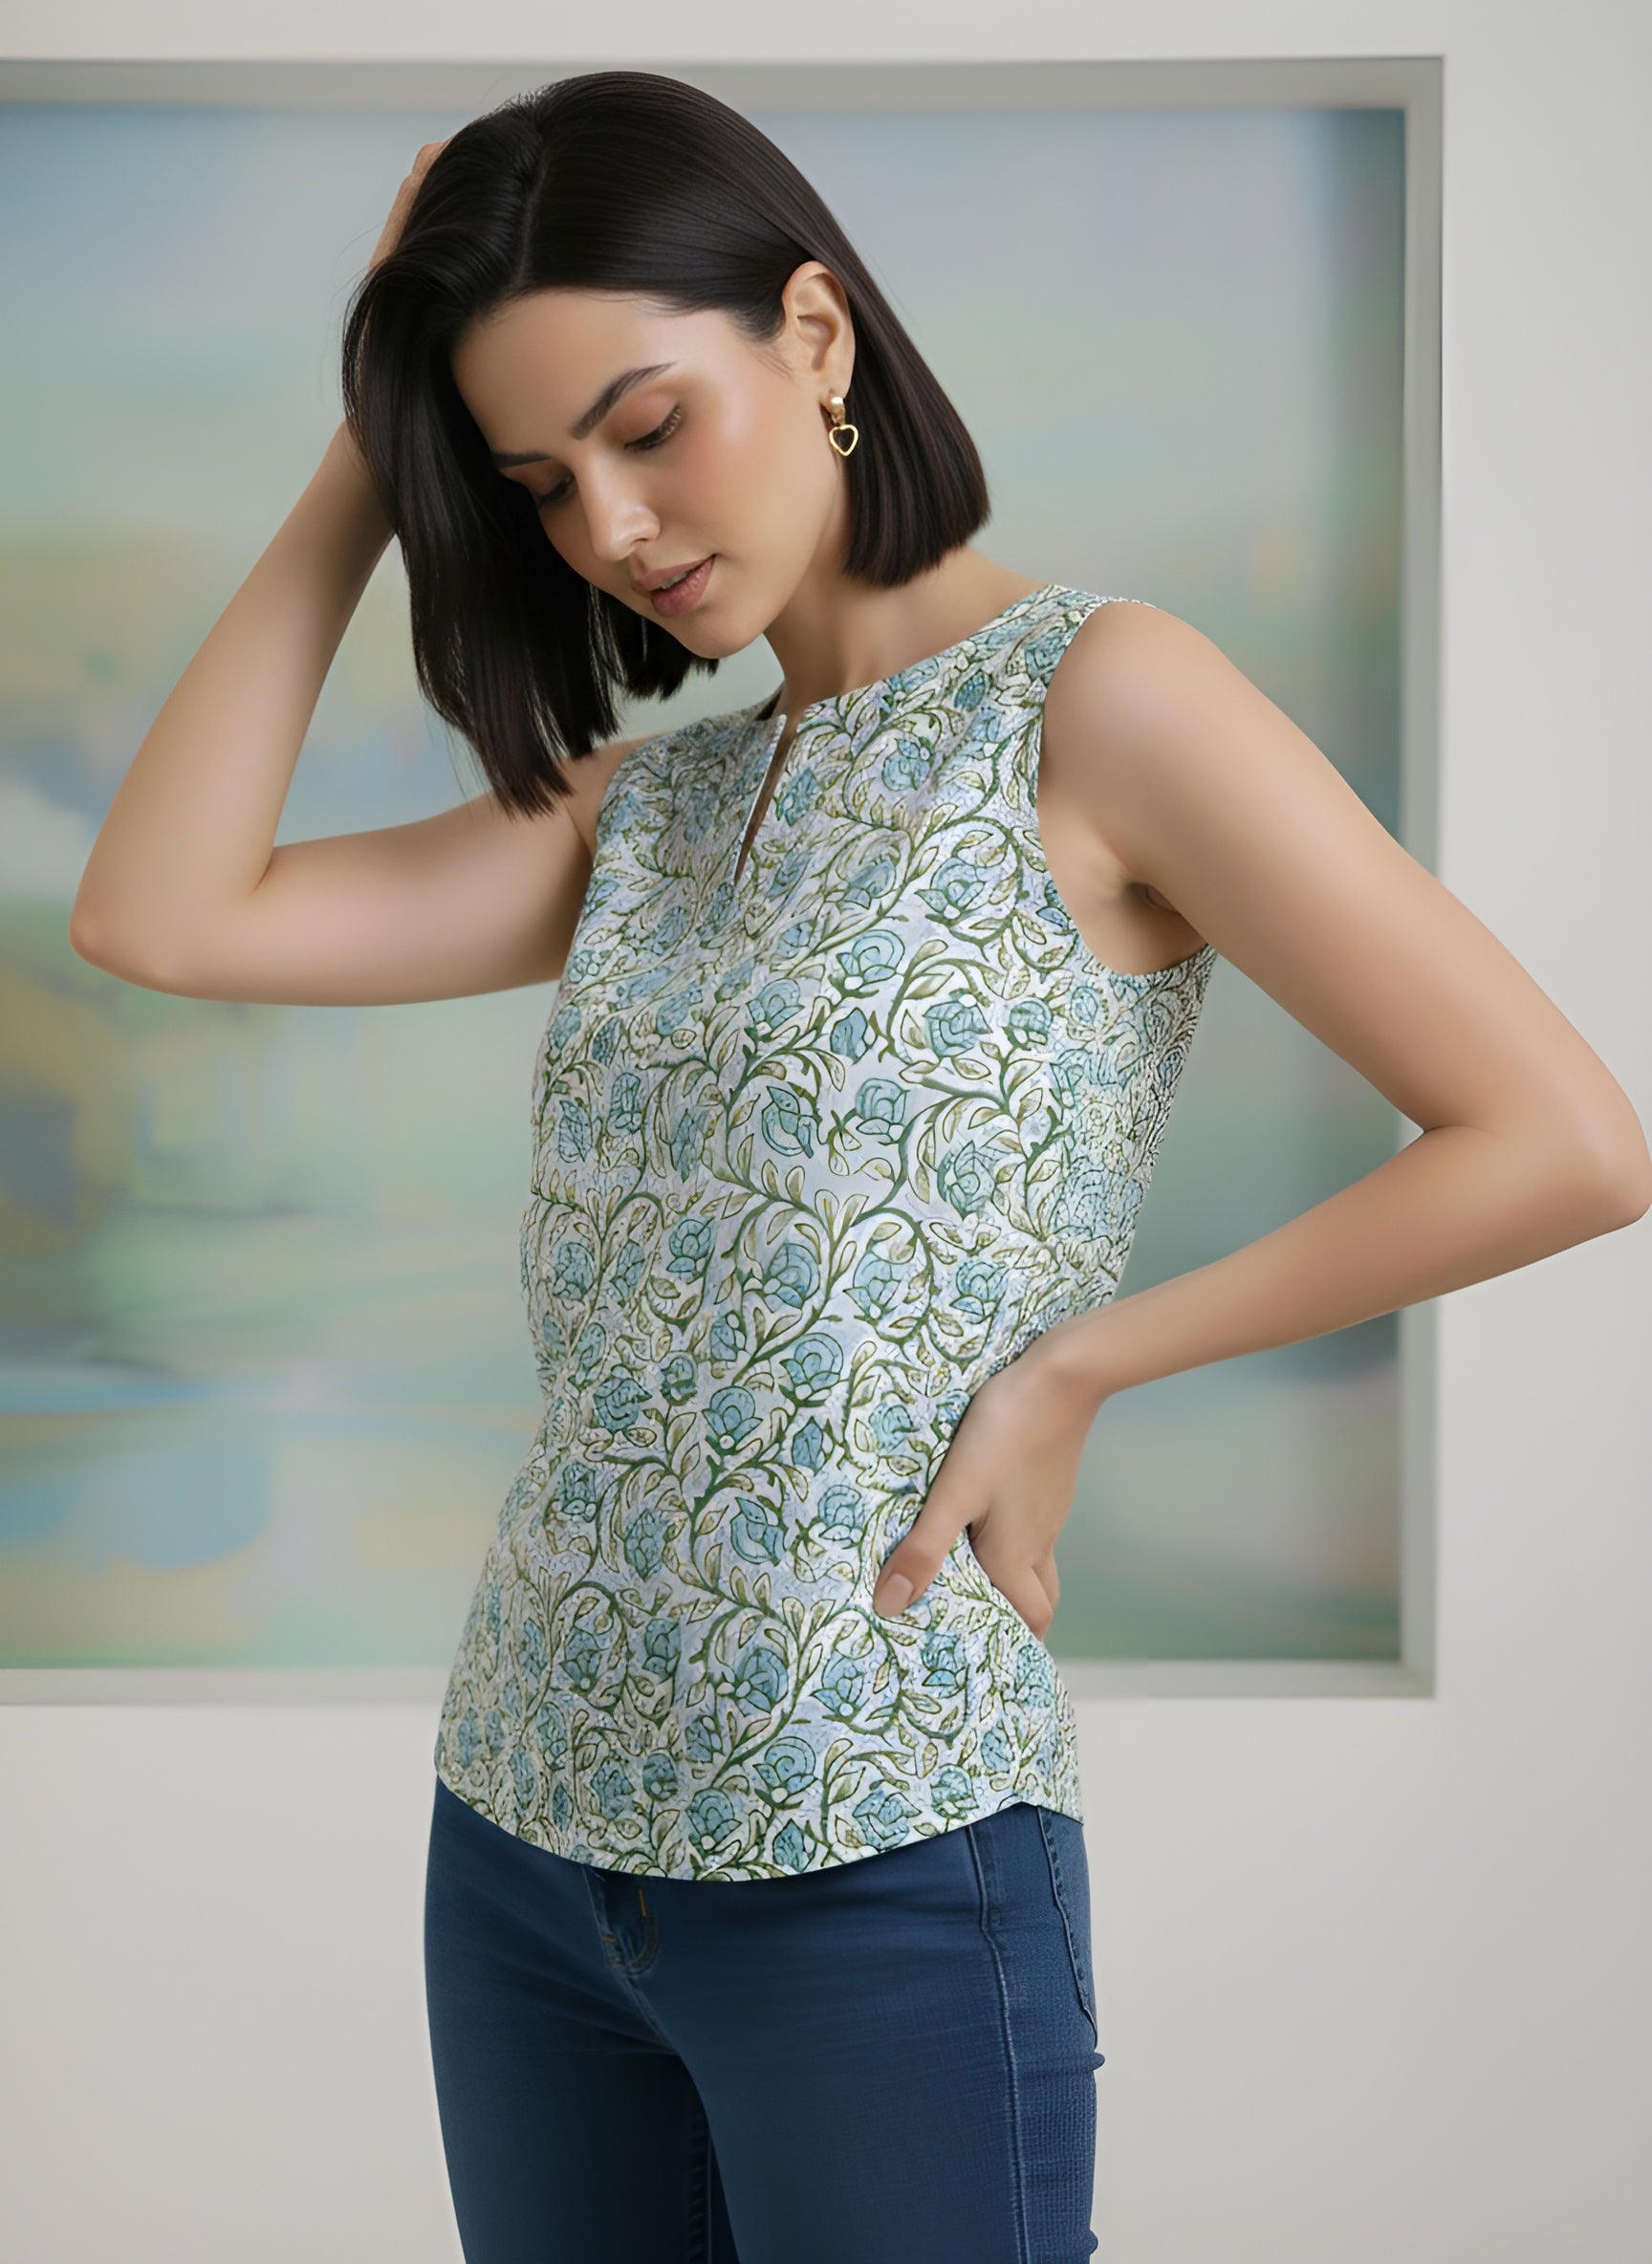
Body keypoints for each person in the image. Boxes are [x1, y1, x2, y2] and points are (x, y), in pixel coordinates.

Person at [69, 67, 1649, 2264]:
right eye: (539, 481)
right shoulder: (652, 805)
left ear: (815, 335)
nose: (614, 524)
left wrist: (1080, 1364)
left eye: (647, 424)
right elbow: (158, 913)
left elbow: (1564, 1138)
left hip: (880, 1839)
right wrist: (376, 430)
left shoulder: (1102, 700)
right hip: (527, 1833)